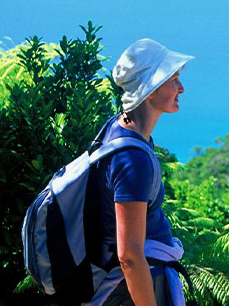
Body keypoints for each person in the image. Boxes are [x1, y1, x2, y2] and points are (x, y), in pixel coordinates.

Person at [85, 38, 194, 306]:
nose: (181, 88)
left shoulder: (122, 127)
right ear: (151, 91)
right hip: (130, 291)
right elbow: (130, 256)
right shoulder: (132, 159)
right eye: (173, 80)